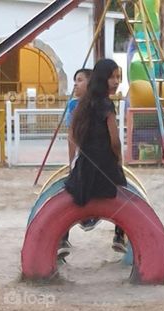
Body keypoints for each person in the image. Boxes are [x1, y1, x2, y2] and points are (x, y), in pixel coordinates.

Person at [65, 58, 127, 256]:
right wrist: (118, 160)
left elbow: (72, 135)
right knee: (124, 196)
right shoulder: (107, 105)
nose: (116, 81)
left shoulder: (82, 104)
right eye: (112, 77)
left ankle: (62, 238)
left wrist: (72, 162)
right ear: (102, 79)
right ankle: (119, 235)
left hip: (86, 165)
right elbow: (115, 140)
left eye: (118, 77)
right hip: (105, 166)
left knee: (68, 193)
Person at [58, 67, 92, 262]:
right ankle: (62, 238)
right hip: (82, 158)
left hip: (96, 159)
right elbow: (71, 137)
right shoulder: (73, 105)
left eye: (80, 80)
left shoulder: (99, 105)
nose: (75, 84)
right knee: (67, 194)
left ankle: (120, 235)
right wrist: (72, 162)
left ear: (90, 83)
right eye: (75, 80)